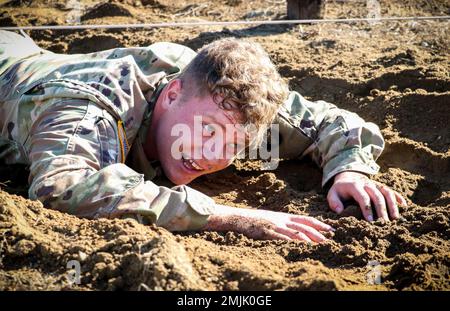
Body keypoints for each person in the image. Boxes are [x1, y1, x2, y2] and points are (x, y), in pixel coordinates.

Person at [0, 30, 406, 243]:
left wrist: (349, 171)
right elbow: (63, 187)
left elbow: (331, 123)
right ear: (173, 94)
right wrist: (224, 215)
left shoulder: (229, 102)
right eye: (207, 130)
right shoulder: (88, 107)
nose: (211, 154)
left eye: (233, 145)